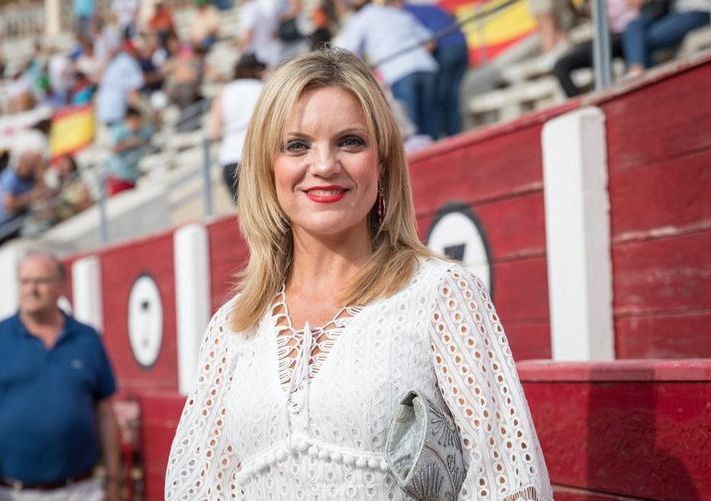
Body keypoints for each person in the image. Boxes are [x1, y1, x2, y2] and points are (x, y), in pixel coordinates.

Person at [165, 48, 552, 499]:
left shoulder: (441, 294)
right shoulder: (233, 327)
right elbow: (197, 489)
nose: (325, 165)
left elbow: (508, 481)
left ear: (382, 162)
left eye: (350, 141)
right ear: (267, 169)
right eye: (297, 145)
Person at [0, 252, 120, 501]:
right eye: (24, 281)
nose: (31, 289)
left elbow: (105, 412)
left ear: (61, 286)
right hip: (11, 492)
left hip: (82, 490)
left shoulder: (87, 339)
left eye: (40, 281)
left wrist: (114, 479)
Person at [335, 0, 439, 139]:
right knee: (431, 124)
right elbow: (430, 43)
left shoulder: (360, 19)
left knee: (412, 130)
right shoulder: (397, 13)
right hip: (426, 66)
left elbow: (347, 54)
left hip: (398, 71)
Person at [404, 1, 469, 136]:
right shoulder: (429, 8)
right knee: (453, 97)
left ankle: (449, 136)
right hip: (461, 46)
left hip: (445, 49)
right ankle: (456, 133)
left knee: (440, 98)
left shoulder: (405, 13)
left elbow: (428, 42)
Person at [207, 54, 265, 200]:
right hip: (257, 157)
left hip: (230, 159)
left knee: (246, 217)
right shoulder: (264, 89)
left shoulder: (225, 92)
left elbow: (213, 132)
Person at [553, 0, 638, 97]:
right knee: (561, 66)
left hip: (630, 32)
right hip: (606, 37)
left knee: (600, 55)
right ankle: (582, 106)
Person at [622, 0, 711, 76]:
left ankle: (638, 71)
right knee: (634, 27)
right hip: (675, 15)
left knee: (642, 39)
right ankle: (638, 70)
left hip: (697, 12)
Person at [0, 133, 48, 231]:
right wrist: (31, 196)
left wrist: (39, 174)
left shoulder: (31, 177)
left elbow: (43, 194)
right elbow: (8, 204)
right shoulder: (10, 176)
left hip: (14, 225)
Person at [105, 107, 153, 196]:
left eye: (137, 120)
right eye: (132, 120)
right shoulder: (119, 132)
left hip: (135, 176)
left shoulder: (144, 131)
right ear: (127, 120)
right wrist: (127, 143)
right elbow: (111, 149)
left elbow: (150, 139)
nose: (135, 123)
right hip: (120, 177)